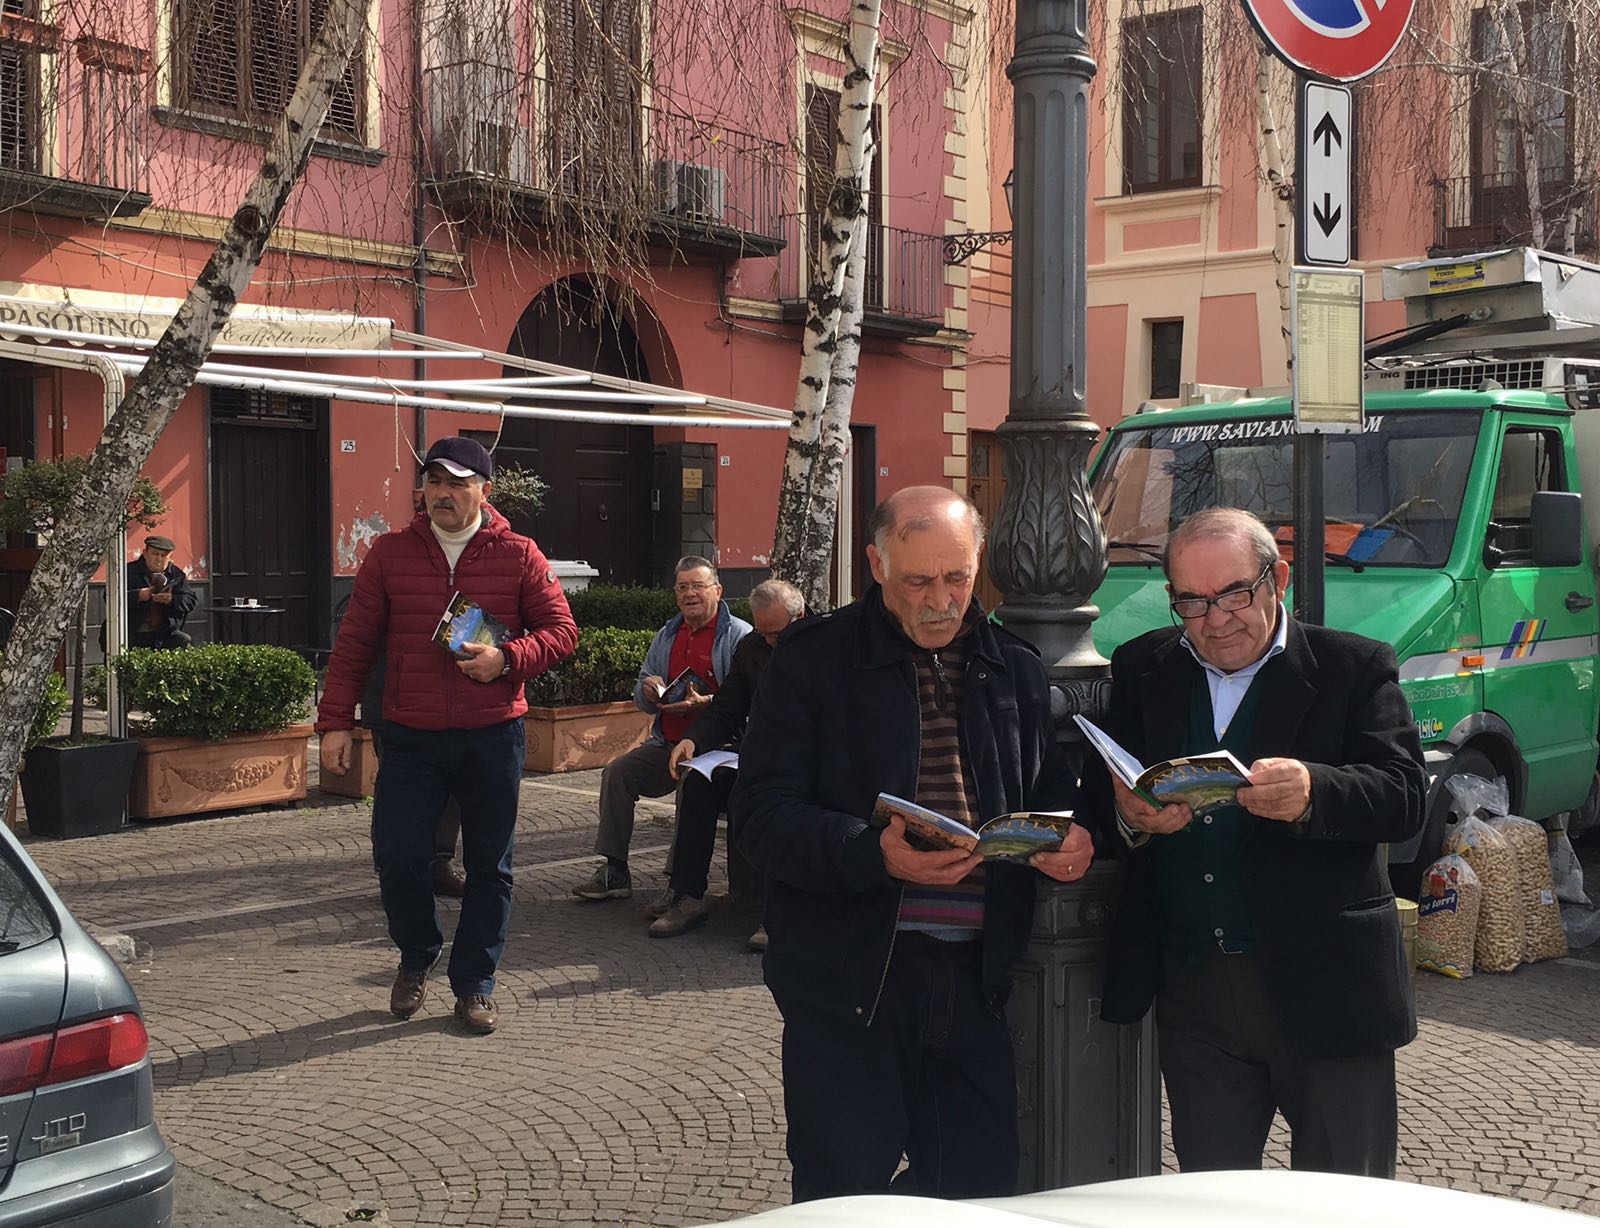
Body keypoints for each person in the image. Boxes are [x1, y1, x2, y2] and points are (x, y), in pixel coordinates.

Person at [732, 486, 1093, 1203]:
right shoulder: (813, 660)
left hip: (975, 978)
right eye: (918, 581)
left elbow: (1050, 789)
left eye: (958, 578)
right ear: (876, 565)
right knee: (843, 1198)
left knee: (977, 1189)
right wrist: (872, 854)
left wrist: (1071, 837)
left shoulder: (1012, 664)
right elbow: (760, 817)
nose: (941, 601)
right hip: (850, 981)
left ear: (979, 563)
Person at [1084, 506, 1425, 1177]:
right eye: (1192, 601)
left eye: (1235, 594)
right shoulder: (1144, 665)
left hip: (1326, 985)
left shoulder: (1352, 666)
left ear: (1279, 580)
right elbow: (1107, 795)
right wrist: (1130, 816)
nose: (1215, 619)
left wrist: (1315, 789)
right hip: (1196, 993)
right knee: (1214, 1197)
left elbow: (1405, 794)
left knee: (1345, 1201)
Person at [317, 436, 577, 1035]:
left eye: (458, 483)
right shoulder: (390, 553)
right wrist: (334, 723)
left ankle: (475, 984)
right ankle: (417, 953)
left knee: (491, 866)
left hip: (493, 734)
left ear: (485, 491)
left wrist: (507, 659)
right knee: (399, 858)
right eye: (434, 481)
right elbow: (354, 644)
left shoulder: (519, 553)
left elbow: (562, 631)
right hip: (411, 735)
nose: (443, 493)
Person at [569, 557, 751, 902]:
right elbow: (642, 697)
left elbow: (745, 699)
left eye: (698, 586)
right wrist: (649, 690)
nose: (690, 594)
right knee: (617, 774)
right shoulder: (667, 634)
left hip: (717, 750)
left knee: (691, 786)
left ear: (718, 590)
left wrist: (706, 702)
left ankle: (677, 884)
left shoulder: (739, 636)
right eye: (682, 587)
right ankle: (615, 871)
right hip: (665, 743)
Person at [647, 578, 804, 946]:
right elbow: (729, 704)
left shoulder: (824, 644)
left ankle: (777, 910)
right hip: (754, 752)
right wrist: (693, 739)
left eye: (776, 633)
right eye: (763, 633)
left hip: (803, 758)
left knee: (774, 798)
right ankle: (688, 895)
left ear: (798, 618)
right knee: (698, 782)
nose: (769, 641)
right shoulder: (751, 646)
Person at [122, 535, 197, 650]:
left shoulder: (177, 575)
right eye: (155, 554)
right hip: (133, 630)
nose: (159, 559)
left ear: (171, 557)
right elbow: (110, 598)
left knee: (184, 641)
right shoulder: (128, 571)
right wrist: (139, 595)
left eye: (164, 555)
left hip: (165, 631)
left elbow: (190, 601)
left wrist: (171, 600)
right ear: (145, 553)